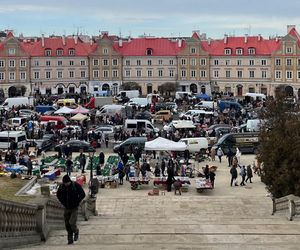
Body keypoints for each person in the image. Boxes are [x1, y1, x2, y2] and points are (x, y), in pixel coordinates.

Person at [57, 174, 86, 245]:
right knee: (67, 224)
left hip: (74, 208)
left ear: (69, 181)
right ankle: (70, 240)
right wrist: (63, 202)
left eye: (67, 183)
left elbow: (82, 194)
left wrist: (77, 201)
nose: (66, 184)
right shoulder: (61, 187)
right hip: (66, 207)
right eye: (65, 183)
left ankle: (76, 231)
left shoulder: (75, 185)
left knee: (72, 222)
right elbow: (58, 195)